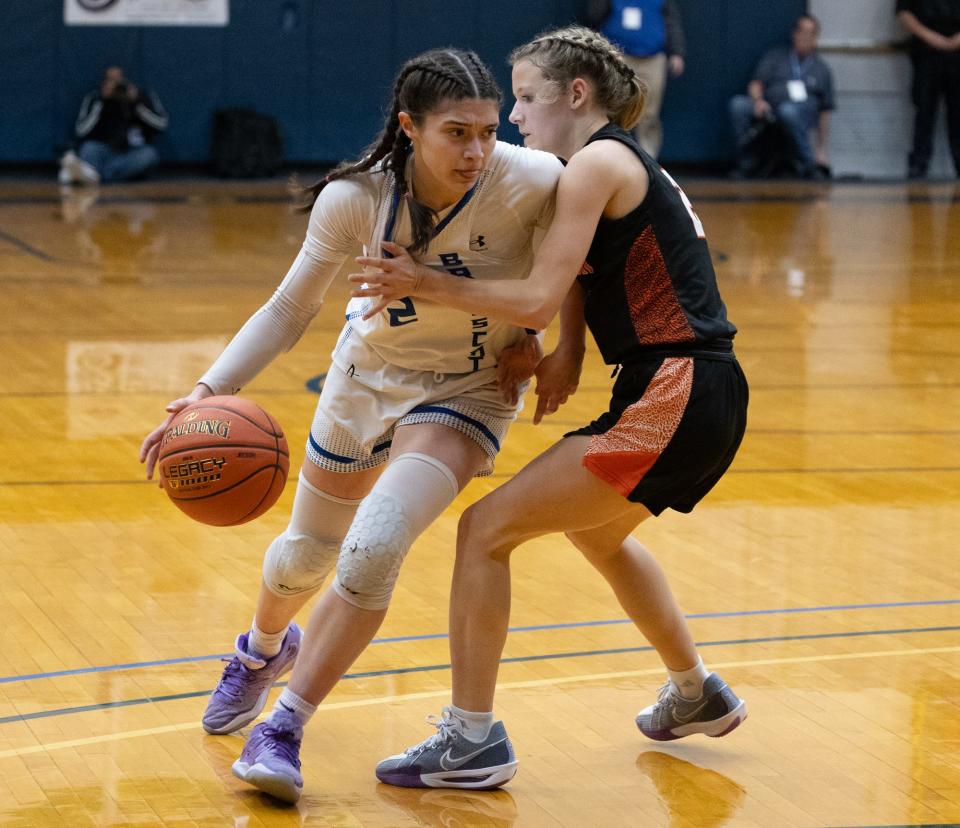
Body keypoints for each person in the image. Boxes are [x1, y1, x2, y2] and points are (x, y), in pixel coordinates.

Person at [139, 48, 564, 805]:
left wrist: (545, 342)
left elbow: (566, 276)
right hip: (365, 380)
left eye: (488, 132)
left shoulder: (532, 181)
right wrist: (207, 391)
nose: (476, 151)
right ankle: (261, 648)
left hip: (467, 389)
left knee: (373, 550)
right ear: (409, 127)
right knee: (303, 559)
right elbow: (289, 309)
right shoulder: (355, 198)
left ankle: (285, 727)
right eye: (455, 133)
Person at [350, 25, 749, 790]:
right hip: (702, 391)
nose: (518, 119)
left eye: (526, 99)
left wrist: (421, 282)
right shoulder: (606, 166)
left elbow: (536, 288)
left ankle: (471, 741)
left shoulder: (596, 158)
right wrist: (565, 350)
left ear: (576, 94)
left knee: (484, 529)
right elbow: (586, 270)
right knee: (599, 540)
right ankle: (697, 692)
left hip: (677, 387)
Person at [728, 14, 834, 179]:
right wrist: (758, 101)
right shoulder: (775, 57)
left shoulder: (821, 69)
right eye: (801, 31)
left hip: (802, 114)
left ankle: (809, 165)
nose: (804, 36)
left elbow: (825, 110)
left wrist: (821, 148)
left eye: (809, 33)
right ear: (794, 33)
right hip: (770, 107)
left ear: (815, 38)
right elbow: (756, 84)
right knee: (738, 105)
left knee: (789, 111)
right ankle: (747, 164)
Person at [583, 0, 686, 158]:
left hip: (653, 58)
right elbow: (593, 17)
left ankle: (649, 161)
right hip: (618, 56)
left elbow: (671, 22)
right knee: (614, 110)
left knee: (650, 113)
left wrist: (676, 52)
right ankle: (611, 157)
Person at [59, 66, 168, 186]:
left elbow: (161, 125)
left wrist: (137, 103)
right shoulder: (95, 98)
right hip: (103, 150)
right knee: (88, 148)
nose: (116, 86)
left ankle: (93, 175)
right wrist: (102, 102)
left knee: (149, 155)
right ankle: (93, 174)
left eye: (119, 81)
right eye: (111, 81)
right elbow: (81, 131)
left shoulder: (143, 96)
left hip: (132, 152)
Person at [896, 0, 960, 178]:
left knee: (958, 112)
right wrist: (929, 36)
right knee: (924, 110)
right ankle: (919, 163)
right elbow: (903, 12)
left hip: (958, 52)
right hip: (926, 52)